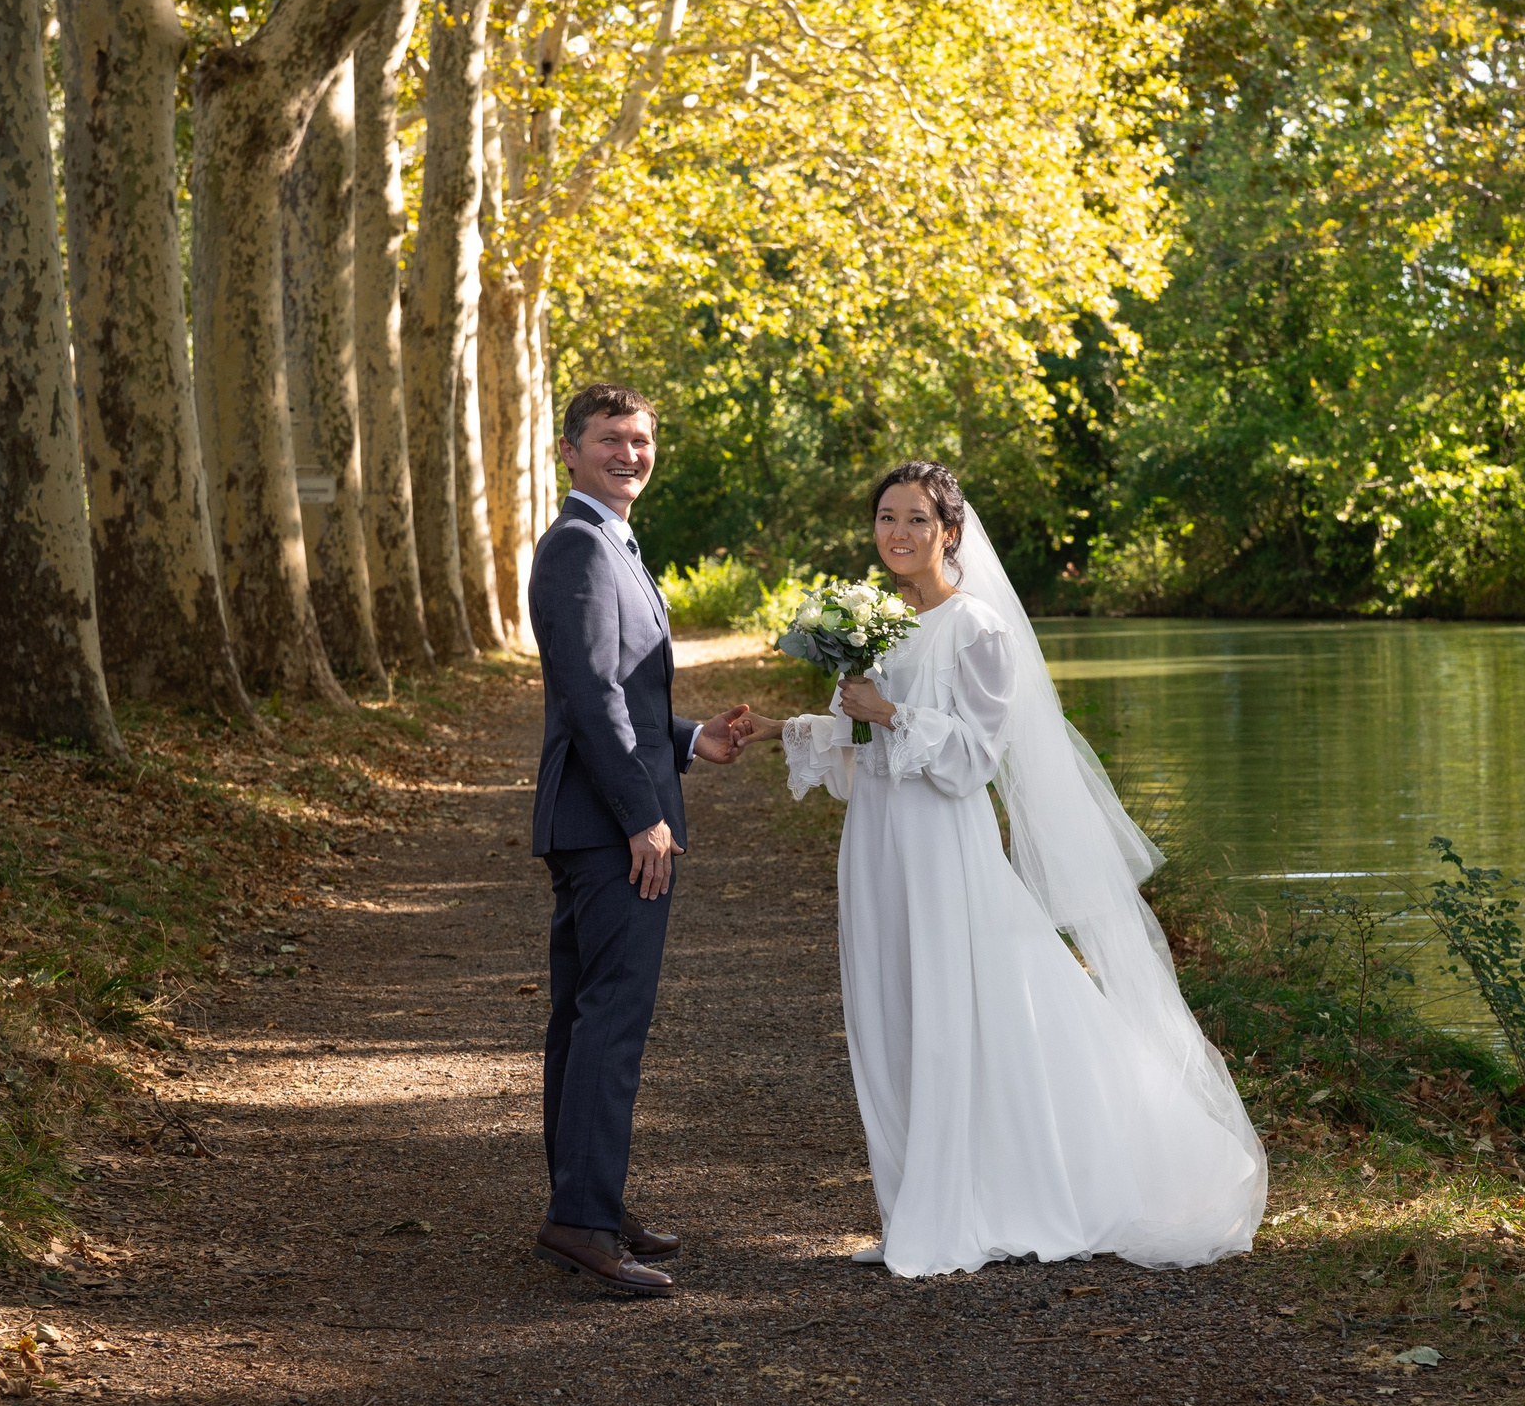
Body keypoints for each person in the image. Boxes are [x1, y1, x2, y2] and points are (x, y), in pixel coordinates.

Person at [733, 462, 1267, 1276]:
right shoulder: (873, 623)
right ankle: (915, 1200)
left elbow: (976, 755)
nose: (899, 533)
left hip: (943, 843)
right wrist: (782, 727)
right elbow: (864, 741)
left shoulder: (977, 628)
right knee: (890, 1008)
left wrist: (892, 711)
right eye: (885, 517)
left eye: (916, 518)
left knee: (958, 1013)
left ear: (950, 531)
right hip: (876, 843)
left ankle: (971, 1205)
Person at [526, 383, 749, 1297]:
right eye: (612, 439)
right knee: (609, 1024)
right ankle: (580, 1221)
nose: (631, 453)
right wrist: (640, 815)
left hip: (601, 820)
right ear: (570, 453)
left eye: (644, 439)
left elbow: (630, 687)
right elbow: (589, 696)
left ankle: (589, 1202)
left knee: (587, 1022)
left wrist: (694, 739)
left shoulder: (611, 542)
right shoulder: (577, 547)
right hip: (607, 828)